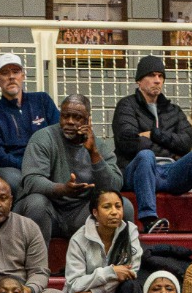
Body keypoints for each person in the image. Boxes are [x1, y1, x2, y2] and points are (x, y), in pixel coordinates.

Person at [114, 56, 192, 235]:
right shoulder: (127, 106)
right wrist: (169, 147)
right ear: (139, 80)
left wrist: (154, 134)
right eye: (152, 75)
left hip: (170, 170)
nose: (157, 80)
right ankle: (149, 219)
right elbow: (127, 142)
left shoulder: (173, 110)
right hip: (138, 171)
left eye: (161, 76)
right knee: (146, 155)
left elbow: (185, 143)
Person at [16, 94, 122, 246]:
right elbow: (31, 181)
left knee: (123, 206)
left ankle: (114, 265)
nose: (70, 121)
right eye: (65, 116)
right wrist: (62, 189)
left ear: (88, 120)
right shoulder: (43, 138)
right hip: (49, 210)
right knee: (36, 202)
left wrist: (94, 154)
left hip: (81, 213)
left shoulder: (99, 146)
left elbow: (114, 186)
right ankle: (37, 268)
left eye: (77, 117)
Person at [0, 55, 57, 186]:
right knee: (10, 178)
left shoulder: (42, 100)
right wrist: (28, 165)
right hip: (17, 169)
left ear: (23, 75)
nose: (11, 77)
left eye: (16, 72)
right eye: (5, 73)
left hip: (49, 162)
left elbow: (58, 132)